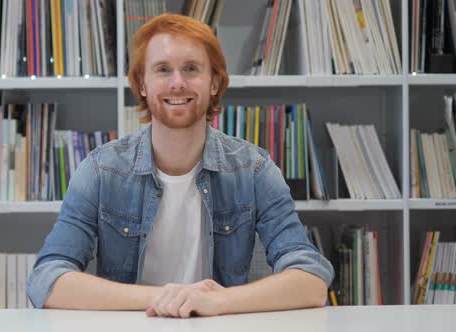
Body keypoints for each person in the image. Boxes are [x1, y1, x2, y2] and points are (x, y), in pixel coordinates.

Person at [27, 13, 333, 318]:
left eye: (191, 69)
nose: (177, 83)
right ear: (142, 84)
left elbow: (311, 281)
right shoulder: (100, 170)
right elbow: (47, 280)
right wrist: (167, 296)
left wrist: (216, 302)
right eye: (162, 70)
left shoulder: (254, 170)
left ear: (214, 83)